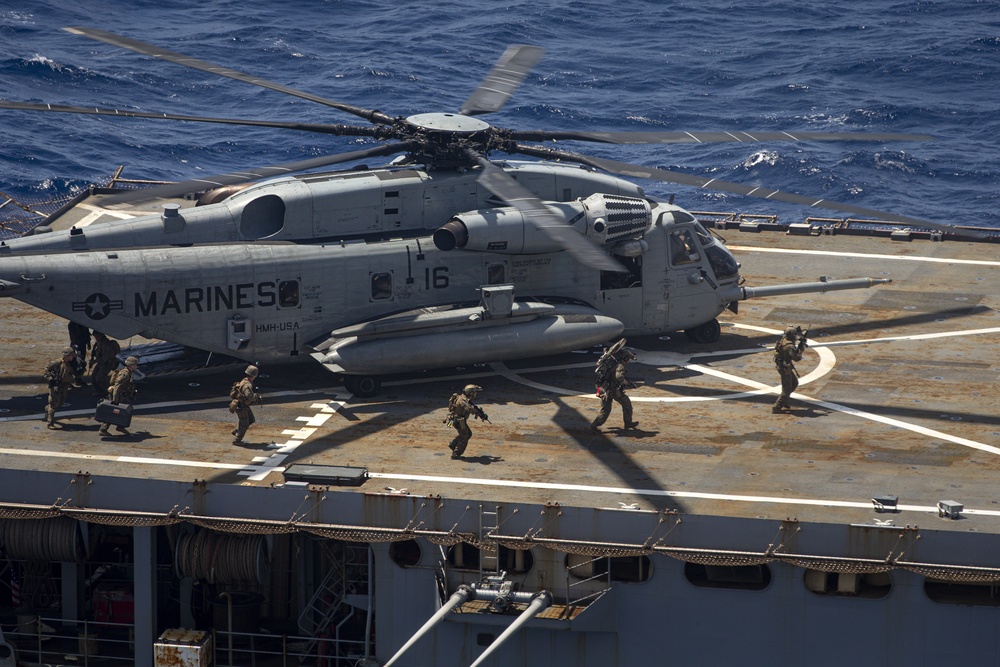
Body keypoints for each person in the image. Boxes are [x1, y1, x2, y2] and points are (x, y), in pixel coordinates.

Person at [591, 339, 639, 432]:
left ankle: (594, 426)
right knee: (626, 404)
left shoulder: (611, 364)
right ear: (625, 358)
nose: (629, 361)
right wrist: (629, 384)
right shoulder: (619, 366)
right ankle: (628, 423)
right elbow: (619, 377)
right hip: (613, 391)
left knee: (606, 410)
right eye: (628, 359)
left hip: (604, 389)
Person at [99, 356, 139, 436]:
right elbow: (117, 385)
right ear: (131, 365)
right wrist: (115, 399)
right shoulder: (125, 374)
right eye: (135, 365)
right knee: (114, 411)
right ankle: (103, 429)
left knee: (125, 410)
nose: (136, 366)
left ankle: (120, 426)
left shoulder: (128, 372)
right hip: (118, 395)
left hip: (121, 395)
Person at [445, 384, 488, 459]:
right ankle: (456, 454)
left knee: (465, 434)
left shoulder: (462, 397)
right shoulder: (463, 400)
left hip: (454, 419)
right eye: (474, 392)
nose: (475, 394)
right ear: (470, 393)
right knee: (466, 435)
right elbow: (469, 408)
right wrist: (480, 414)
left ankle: (454, 443)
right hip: (458, 421)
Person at [773, 326, 807, 413]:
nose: (796, 336)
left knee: (794, 383)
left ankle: (784, 401)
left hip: (782, 365)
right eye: (794, 335)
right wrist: (801, 348)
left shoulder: (784, 339)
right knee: (787, 389)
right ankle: (777, 406)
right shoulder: (789, 346)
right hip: (785, 368)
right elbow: (796, 358)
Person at [43, 347, 77, 429]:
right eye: (71, 355)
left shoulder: (70, 364)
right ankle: (50, 423)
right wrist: (51, 380)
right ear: (66, 356)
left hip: (64, 386)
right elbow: (46, 371)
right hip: (56, 386)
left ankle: (48, 409)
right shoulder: (56, 363)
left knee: (60, 403)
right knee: (54, 404)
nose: (72, 357)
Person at [229, 365, 261, 446]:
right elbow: (249, 397)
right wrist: (256, 396)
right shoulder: (247, 385)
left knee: (251, 419)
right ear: (254, 375)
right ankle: (237, 440)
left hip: (243, 405)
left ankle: (237, 431)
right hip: (241, 406)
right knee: (245, 423)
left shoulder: (244, 380)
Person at [89, 332, 121, 398]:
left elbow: (106, 357)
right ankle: (98, 391)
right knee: (93, 377)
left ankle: (110, 391)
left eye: (97, 336)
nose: (96, 338)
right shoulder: (98, 343)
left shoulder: (106, 344)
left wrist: (95, 361)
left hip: (107, 363)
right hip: (101, 363)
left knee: (100, 378)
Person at [67, 321, 91, 386]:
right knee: (75, 363)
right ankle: (69, 380)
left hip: (82, 345)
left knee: (80, 362)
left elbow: (86, 332)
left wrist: (88, 342)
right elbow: (74, 337)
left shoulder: (82, 322)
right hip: (76, 346)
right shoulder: (72, 324)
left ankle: (77, 379)